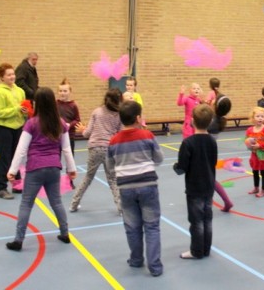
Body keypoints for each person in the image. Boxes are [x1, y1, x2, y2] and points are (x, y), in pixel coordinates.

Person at [5, 87, 77, 251]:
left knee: (26, 204)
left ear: (36, 103)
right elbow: (66, 149)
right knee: (56, 202)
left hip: (35, 168)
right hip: (53, 168)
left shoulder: (31, 123)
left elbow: (21, 149)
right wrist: (71, 169)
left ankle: (18, 240)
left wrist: (12, 170)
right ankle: (65, 233)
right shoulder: (60, 123)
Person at [107, 101, 164, 277]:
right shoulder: (147, 135)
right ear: (138, 118)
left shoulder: (114, 141)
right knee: (152, 226)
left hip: (126, 188)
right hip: (148, 186)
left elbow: (110, 166)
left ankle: (136, 259)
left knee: (132, 226)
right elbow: (159, 158)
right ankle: (154, 266)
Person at [174, 104, 218, 259]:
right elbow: (213, 162)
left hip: (194, 187)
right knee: (207, 219)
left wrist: (176, 167)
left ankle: (197, 251)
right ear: (210, 121)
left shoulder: (188, 143)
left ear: (192, 121)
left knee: (196, 220)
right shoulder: (212, 141)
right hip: (209, 186)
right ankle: (205, 249)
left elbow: (182, 168)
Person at [69, 88, 122, 214]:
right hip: (109, 149)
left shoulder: (97, 112)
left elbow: (87, 133)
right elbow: (120, 134)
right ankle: (121, 208)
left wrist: (83, 129)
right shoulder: (119, 115)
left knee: (88, 177)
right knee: (112, 179)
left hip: (95, 148)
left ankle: (74, 204)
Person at [0, 63, 27, 200]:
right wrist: (16, 109)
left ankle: (17, 184)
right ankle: (2, 187)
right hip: (3, 128)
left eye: (13, 74)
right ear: (2, 77)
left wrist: (25, 111)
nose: (12, 77)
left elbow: (23, 107)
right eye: (8, 75)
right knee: (4, 158)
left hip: (18, 127)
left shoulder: (20, 91)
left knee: (16, 156)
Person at [206, 94, 234, 212]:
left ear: (216, 105)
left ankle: (226, 201)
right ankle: (225, 201)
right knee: (209, 178)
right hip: (211, 151)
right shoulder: (218, 119)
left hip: (205, 151)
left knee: (209, 179)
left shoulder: (211, 121)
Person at [246, 107, 264, 198]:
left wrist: (259, 145)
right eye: (258, 116)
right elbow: (247, 141)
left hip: (263, 155)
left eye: (262, 116)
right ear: (253, 118)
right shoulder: (249, 130)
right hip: (254, 155)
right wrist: (249, 145)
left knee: (263, 172)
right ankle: (256, 188)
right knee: (255, 171)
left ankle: (263, 190)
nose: (260, 118)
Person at [56, 78, 81, 156]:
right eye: (60, 91)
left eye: (65, 91)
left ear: (70, 92)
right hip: (57, 135)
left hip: (69, 135)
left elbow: (77, 120)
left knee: (70, 156)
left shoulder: (73, 105)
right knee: (56, 156)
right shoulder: (55, 104)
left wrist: (70, 125)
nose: (62, 93)